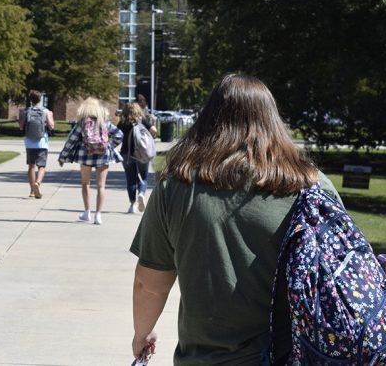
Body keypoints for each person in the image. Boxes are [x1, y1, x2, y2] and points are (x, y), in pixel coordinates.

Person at [129, 74, 340, 365]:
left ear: (208, 121)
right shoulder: (313, 187)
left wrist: (142, 334)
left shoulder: (176, 187)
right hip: (296, 356)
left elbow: (150, 284)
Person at [58, 97, 123, 225]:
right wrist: (110, 146)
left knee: (85, 183)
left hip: (85, 154)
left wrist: (63, 157)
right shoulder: (104, 121)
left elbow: (71, 140)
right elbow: (119, 135)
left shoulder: (82, 122)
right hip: (103, 154)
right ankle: (98, 215)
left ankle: (87, 212)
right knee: (101, 186)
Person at [117, 97, 157, 214]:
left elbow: (116, 135)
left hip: (127, 154)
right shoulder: (142, 120)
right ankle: (141, 193)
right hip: (142, 154)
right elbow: (154, 130)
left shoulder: (123, 122)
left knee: (130, 180)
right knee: (143, 178)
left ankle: (132, 205)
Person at [18, 90, 55, 199]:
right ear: (40, 99)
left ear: (30, 100)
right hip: (42, 142)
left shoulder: (26, 111)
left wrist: (21, 117)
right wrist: (51, 116)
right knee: (42, 166)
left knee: (31, 166)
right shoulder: (46, 111)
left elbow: (21, 126)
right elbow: (51, 126)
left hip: (29, 142)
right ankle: (37, 183)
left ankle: (32, 191)